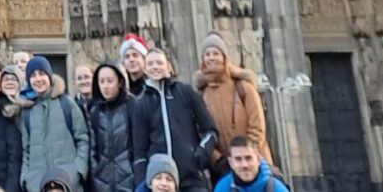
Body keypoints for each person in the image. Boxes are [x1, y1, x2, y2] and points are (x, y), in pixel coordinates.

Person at [131, 49, 217, 192]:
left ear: (168, 66)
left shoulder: (185, 92)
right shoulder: (141, 103)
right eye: (150, 63)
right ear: (145, 68)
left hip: (191, 177)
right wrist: (143, 181)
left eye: (159, 62)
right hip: (161, 182)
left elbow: (211, 131)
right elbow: (139, 150)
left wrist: (199, 155)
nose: (155, 67)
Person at [194, 34, 271, 179]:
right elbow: (200, 132)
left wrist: (245, 156)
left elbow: (257, 126)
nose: (211, 58)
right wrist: (218, 160)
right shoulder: (201, 94)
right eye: (207, 54)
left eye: (216, 53)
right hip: (222, 169)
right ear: (202, 60)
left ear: (224, 58)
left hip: (254, 163)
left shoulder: (243, 87)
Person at [17, 56, 88, 192]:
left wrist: (78, 171)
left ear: (49, 76)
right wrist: (26, 178)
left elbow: (82, 139)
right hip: (37, 184)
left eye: (42, 74)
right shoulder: (27, 111)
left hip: (68, 182)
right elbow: (26, 150)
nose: (38, 79)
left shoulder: (66, 104)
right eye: (33, 75)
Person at [87, 63, 134, 192]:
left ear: (119, 82)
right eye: (101, 81)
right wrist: (95, 171)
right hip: (101, 181)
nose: (105, 86)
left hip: (129, 179)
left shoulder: (132, 105)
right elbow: (91, 149)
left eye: (110, 81)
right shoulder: (94, 111)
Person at [212, 137, 289, 192]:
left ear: (258, 159)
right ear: (231, 163)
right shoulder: (223, 187)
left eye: (248, 158)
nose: (244, 165)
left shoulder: (275, 187)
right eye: (238, 159)